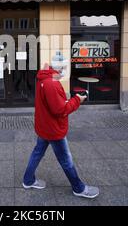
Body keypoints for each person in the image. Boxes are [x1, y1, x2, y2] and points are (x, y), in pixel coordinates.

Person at [22, 51, 99, 199]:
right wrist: (77, 100)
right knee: (66, 159)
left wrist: (64, 100)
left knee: (37, 153)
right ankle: (79, 188)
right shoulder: (51, 83)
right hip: (53, 129)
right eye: (64, 68)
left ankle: (28, 180)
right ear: (59, 68)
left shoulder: (45, 78)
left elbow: (51, 103)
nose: (65, 71)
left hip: (44, 125)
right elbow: (59, 110)